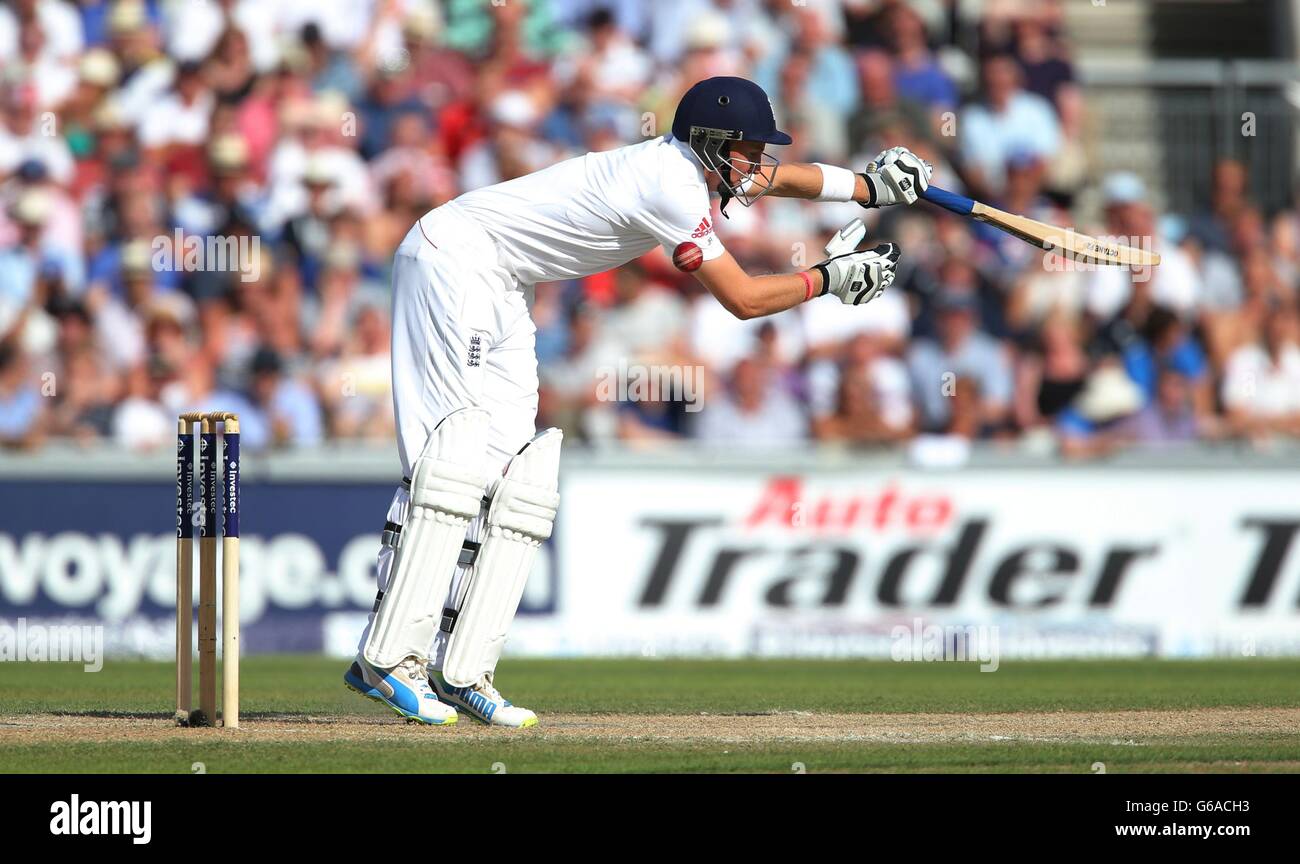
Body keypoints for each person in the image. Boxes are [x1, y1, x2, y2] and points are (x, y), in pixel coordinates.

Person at [344, 76, 933, 728]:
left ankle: (462, 666)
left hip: (506, 282)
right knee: (453, 459)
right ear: (712, 144)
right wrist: (829, 278)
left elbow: (778, 179)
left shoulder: (702, 169)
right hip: (452, 262)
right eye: (749, 148)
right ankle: (387, 657)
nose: (757, 162)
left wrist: (868, 186)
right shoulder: (670, 184)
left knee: (515, 474)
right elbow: (742, 300)